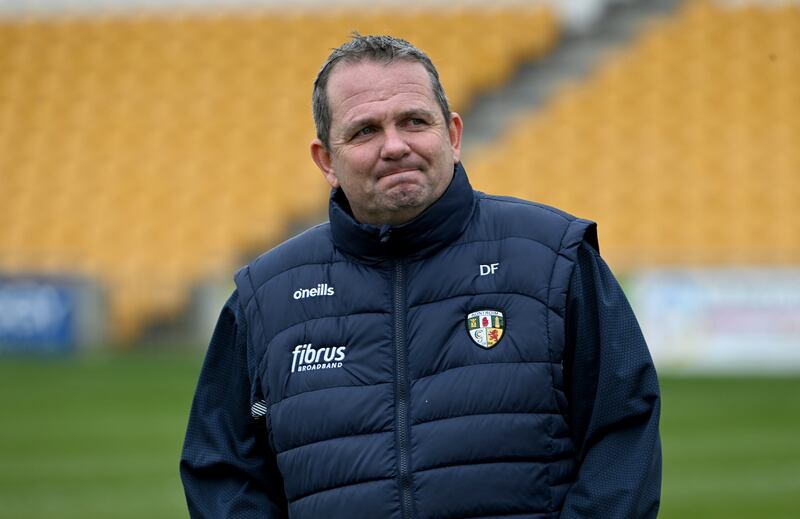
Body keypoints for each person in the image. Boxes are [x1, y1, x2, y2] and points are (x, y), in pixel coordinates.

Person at [180, 34, 661, 518]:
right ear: (327, 160)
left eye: (413, 121)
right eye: (365, 131)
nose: (394, 146)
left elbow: (620, 434)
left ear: (452, 135)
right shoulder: (265, 298)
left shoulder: (555, 258)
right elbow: (224, 473)